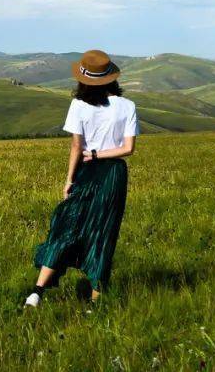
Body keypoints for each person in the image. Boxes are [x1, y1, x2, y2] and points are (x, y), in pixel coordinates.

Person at [25, 49, 138, 307]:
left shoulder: (78, 105)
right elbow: (128, 149)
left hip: (87, 170)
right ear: (112, 77)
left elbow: (77, 147)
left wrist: (69, 179)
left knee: (66, 228)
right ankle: (96, 303)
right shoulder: (128, 106)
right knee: (103, 233)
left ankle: (37, 292)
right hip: (113, 175)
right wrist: (101, 155)